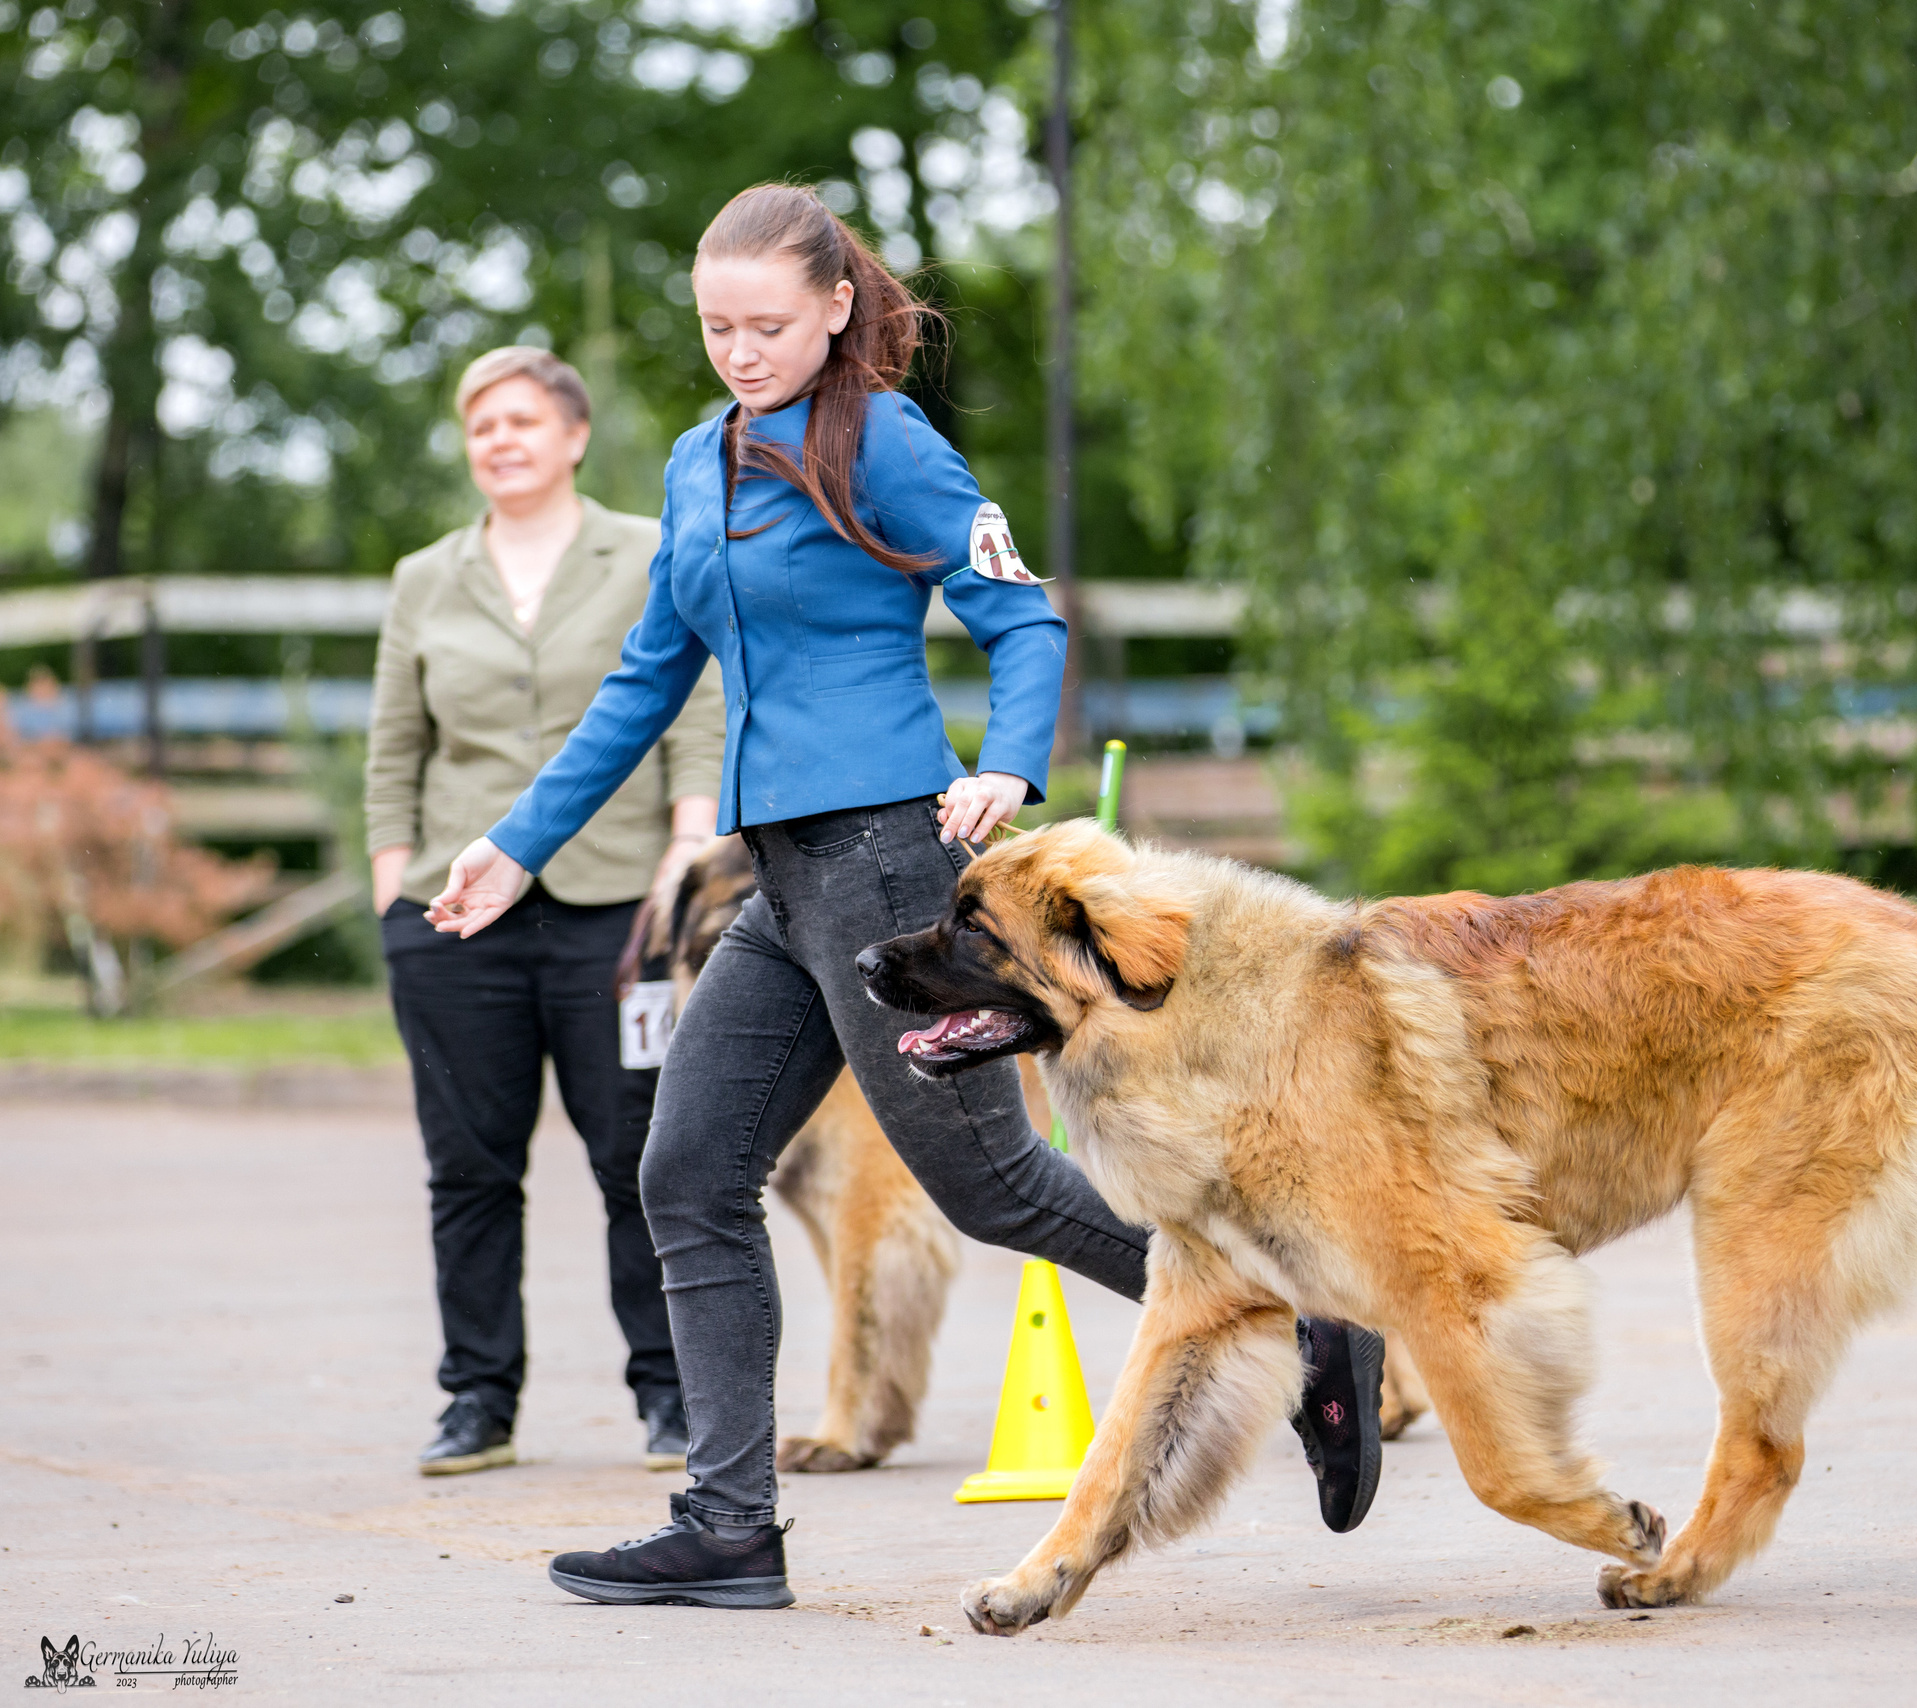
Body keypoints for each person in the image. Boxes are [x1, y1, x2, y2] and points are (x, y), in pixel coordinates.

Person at [425, 184, 1384, 1611]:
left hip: (890, 861)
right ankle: (731, 1526)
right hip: (782, 879)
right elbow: (644, 682)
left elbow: (1019, 606)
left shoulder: (885, 440)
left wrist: (1006, 767)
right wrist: (515, 843)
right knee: (688, 1173)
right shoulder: (699, 461)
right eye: (715, 327)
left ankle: (1307, 1314)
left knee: (992, 1189)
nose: (740, 351)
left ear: (829, 309)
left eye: (767, 324)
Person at [365, 346, 723, 1479]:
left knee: (641, 1157)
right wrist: (394, 886)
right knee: (469, 1166)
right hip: (454, 913)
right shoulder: (426, 576)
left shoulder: (647, 552)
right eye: (483, 426)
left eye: (524, 420)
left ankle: (671, 1395)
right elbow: (394, 747)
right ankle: (478, 1399)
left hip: (619, 906)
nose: (502, 440)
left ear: (573, 436)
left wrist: (687, 849)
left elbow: (694, 702)